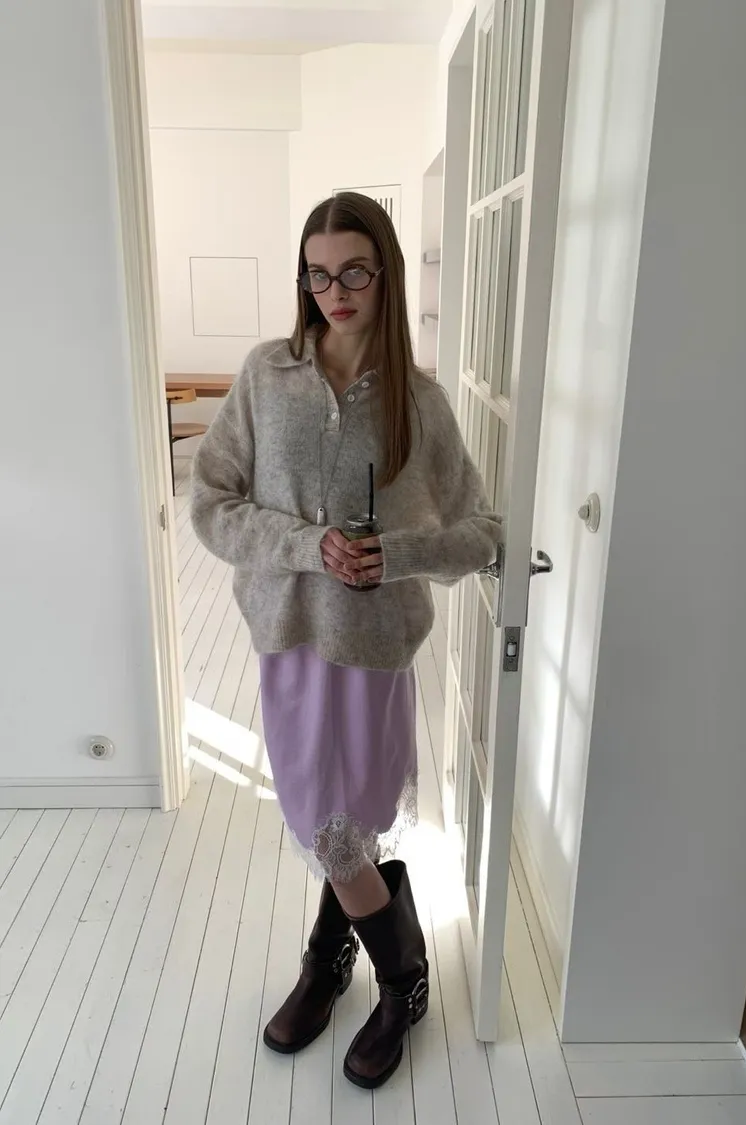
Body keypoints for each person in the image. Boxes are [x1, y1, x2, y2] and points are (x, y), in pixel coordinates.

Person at [191, 192, 503, 1089]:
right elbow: (211, 502)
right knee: (325, 828)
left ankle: (328, 960)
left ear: (386, 274)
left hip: (373, 650)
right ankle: (404, 979)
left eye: (355, 270)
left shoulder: (421, 402)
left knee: (353, 822)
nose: (335, 290)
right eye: (318, 274)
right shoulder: (266, 375)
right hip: (290, 638)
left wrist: (395, 554)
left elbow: (482, 531)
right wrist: (305, 545)